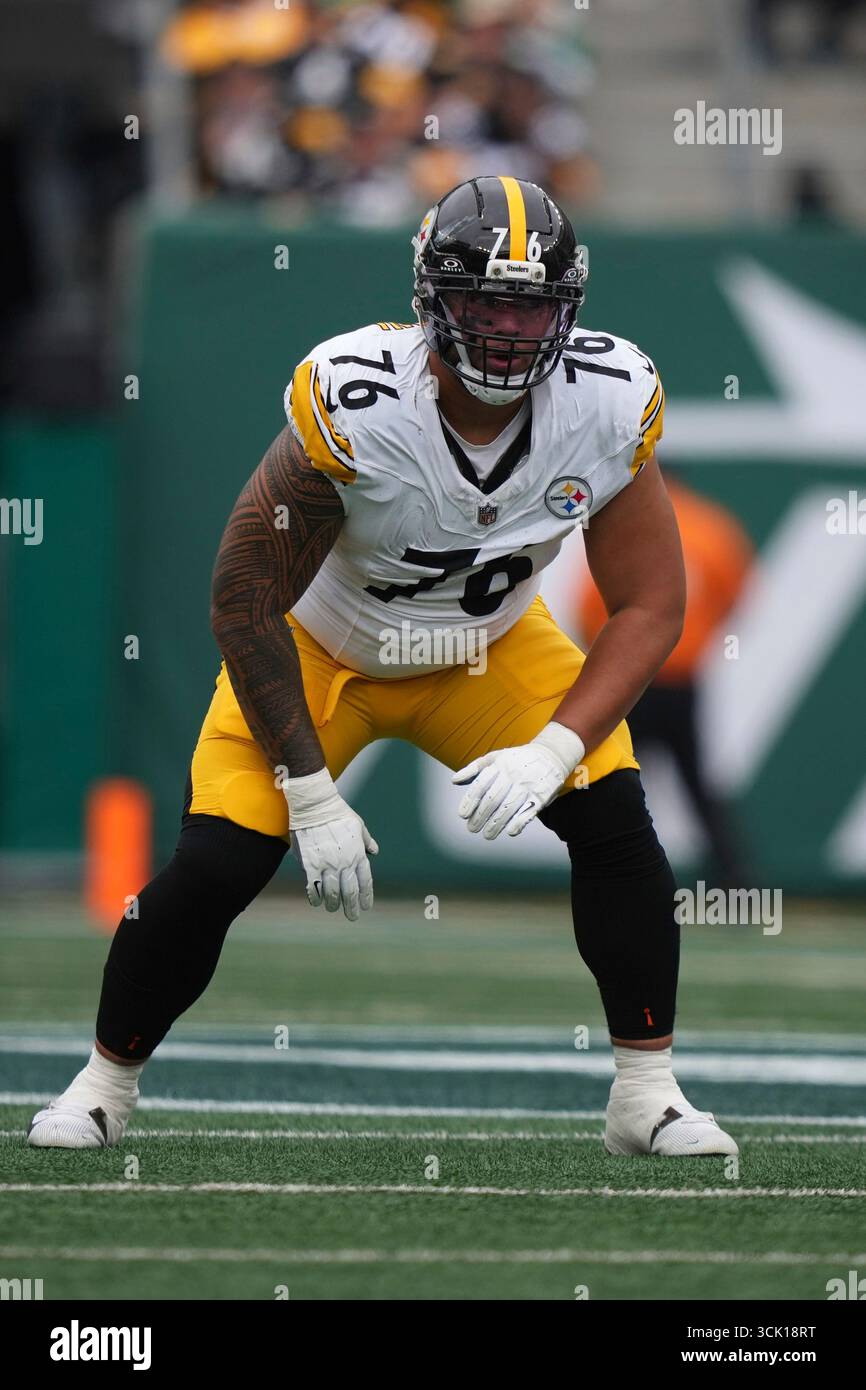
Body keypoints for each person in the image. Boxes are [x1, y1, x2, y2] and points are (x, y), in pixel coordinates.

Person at [29, 176, 737, 1157]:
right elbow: (244, 596)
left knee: (615, 824)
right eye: (485, 303)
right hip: (324, 650)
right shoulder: (359, 400)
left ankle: (646, 1093)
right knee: (217, 861)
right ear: (431, 300)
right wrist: (312, 795)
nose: (507, 331)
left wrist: (552, 747)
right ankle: (103, 1085)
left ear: (566, 310)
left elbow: (651, 604)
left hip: (485, 649)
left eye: (529, 307)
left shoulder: (605, 402)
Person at [579, 471, 754, 886]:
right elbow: (737, 592)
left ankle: (613, 875)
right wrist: (697, 637)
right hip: (681, 679)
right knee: (697, 783)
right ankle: (735, 879)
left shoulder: (627, 522)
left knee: (613, 777)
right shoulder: (711, 525)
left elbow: (589, 605)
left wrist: (613, 654)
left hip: (633, 677)